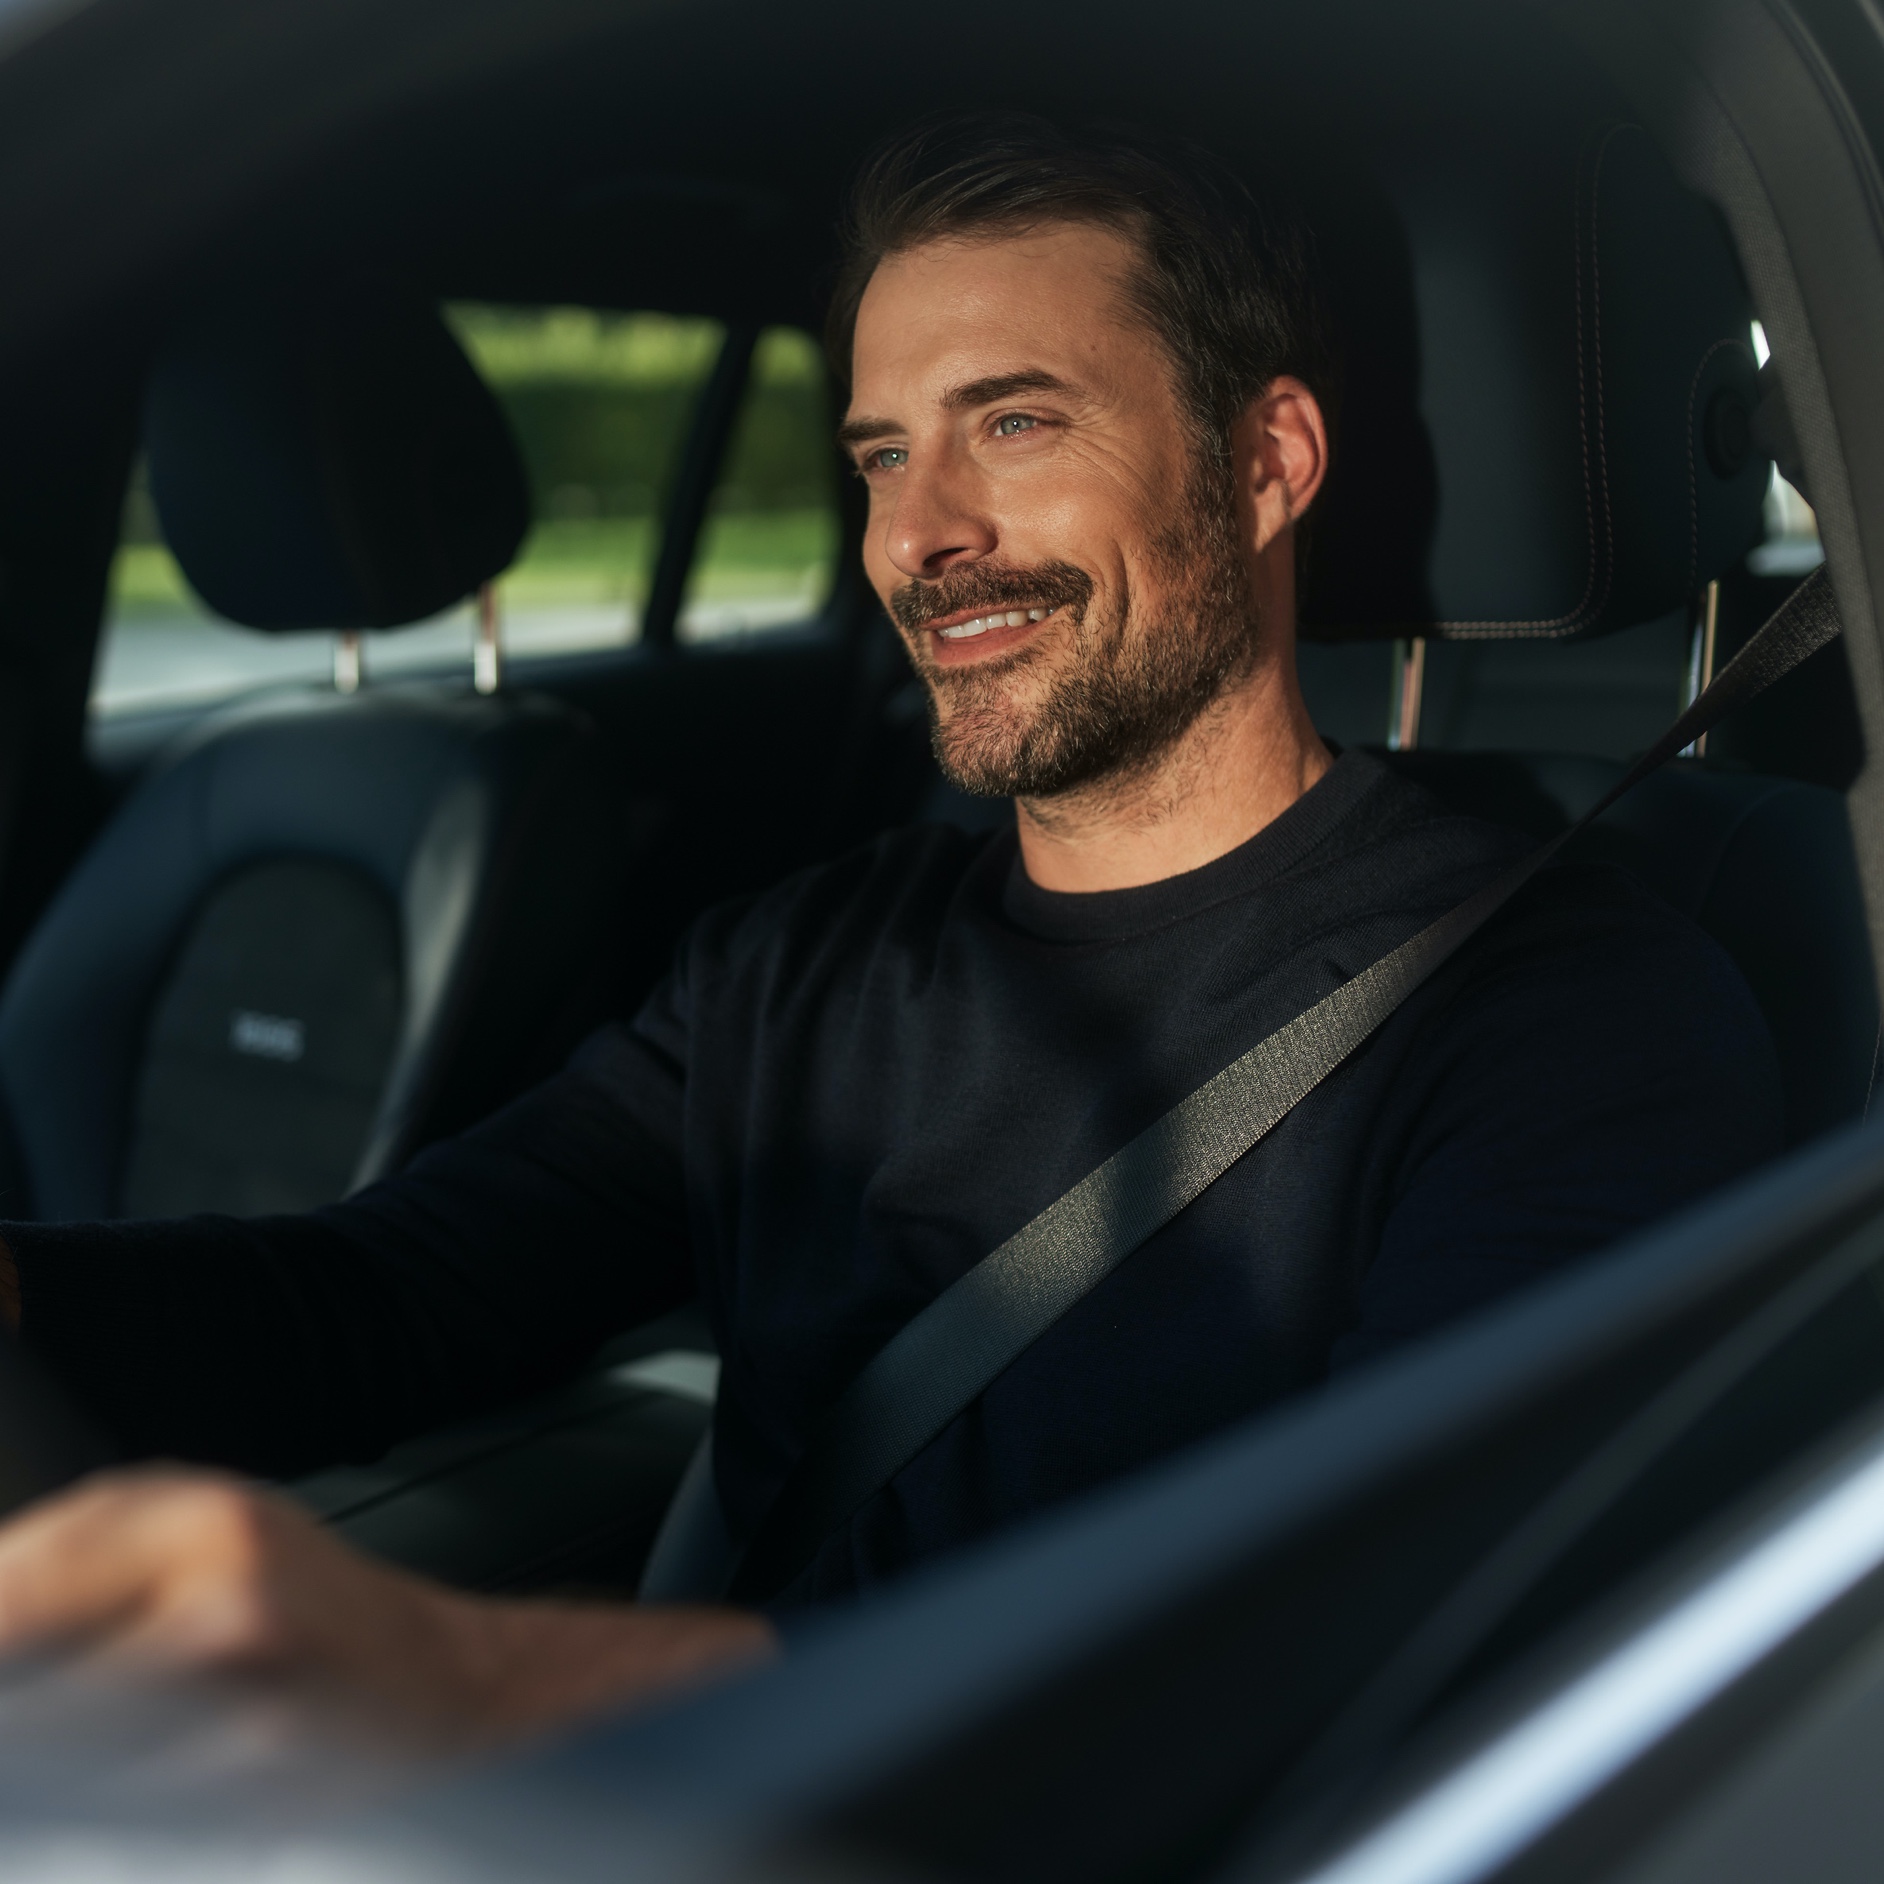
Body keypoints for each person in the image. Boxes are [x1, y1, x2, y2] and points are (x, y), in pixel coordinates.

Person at [0, 116, 1781, 1748]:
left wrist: (481, 1682)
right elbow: (381, 1299)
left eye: (1015, 423)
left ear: (1264, 463)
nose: (916, 536)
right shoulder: (799, 964)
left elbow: (1392, 1630)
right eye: (878, 454)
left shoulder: (1567, 1016)